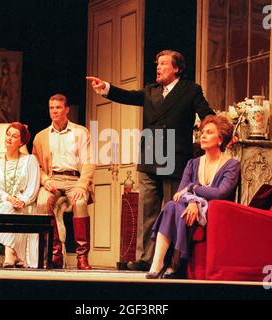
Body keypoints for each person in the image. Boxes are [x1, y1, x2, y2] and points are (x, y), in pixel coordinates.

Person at [86, 49, 216, 271]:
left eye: (164, 64)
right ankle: (146, 258)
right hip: (150, 155)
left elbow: (206, 114)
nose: (158, 67)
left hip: (175, 158)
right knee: (147, 211)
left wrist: (221, 132)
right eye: (157, 64)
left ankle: (171, 259)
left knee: (174, 208)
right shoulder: (150, 91)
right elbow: (128, 96)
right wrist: (105, 88)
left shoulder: (190, 90)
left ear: (176, 68)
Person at [145, 115, 240, 279]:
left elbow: (220, 193)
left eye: (209, 132)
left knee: (173, 207)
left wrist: (193, 188)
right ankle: (160, 263)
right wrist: (194, 202)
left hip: (215, 214)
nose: (202, 135)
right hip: (189, 210)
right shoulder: (193, 163)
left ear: (220, 139)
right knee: (171, 205)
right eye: (202, 132)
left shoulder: (231, 165)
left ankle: (173, 263)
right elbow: (178, 195)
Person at [32, 94, 95, 270]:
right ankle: (55, 253)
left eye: (58, 107)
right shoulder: (40, 136)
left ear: (67, 110)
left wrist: (83, 184)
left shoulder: (81, 132)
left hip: (75, 179)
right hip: (53, 179)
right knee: (43, 202)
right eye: (51, 108)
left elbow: (89, 160)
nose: (54, 111)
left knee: (81, 202)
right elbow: (36, 165)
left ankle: (82, 257)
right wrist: (44, 180)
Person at [0, 122, 40, 268]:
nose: (9, 138)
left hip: (25, 205)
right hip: (5, 203)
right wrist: (10, 199)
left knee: (10, 208)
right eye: (8, 135)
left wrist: (22, 201)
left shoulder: (30, 160)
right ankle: (12, 252)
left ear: (21, 142)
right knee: (1, 208)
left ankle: (10, 253)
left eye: (14, 136)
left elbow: (33, 187)